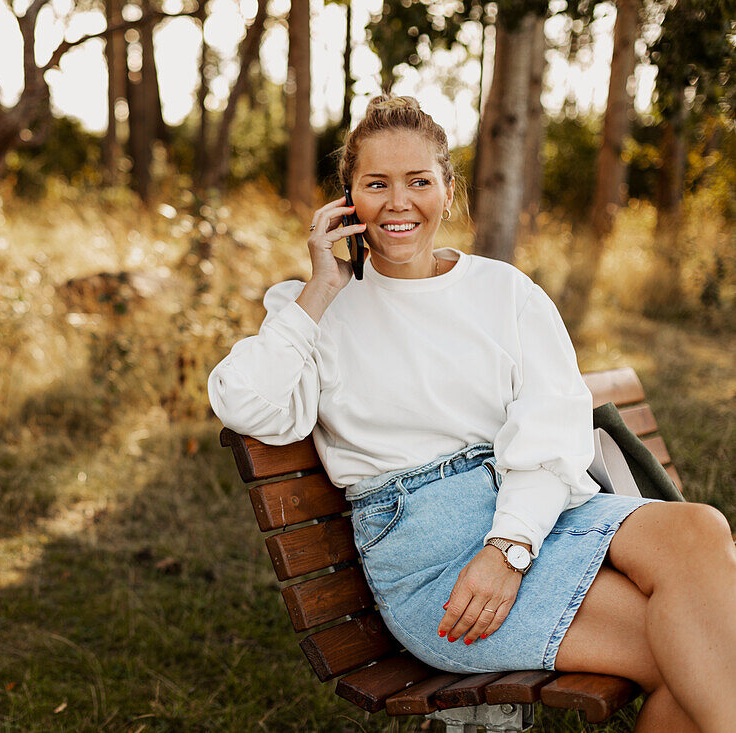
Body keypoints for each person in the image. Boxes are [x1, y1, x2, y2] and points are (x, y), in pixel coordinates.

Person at [207, 95, 736, 732]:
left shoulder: (502, 290)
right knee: (685, 653)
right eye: (376, 184)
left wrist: (509, 546)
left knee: (698, 530)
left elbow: (551, 424)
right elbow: (245, 404)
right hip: (432, 552)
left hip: (534, 513)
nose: (398, 202)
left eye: (418, 182)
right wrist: (320, 287)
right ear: (346, 201)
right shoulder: (313, 309)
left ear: (448, 191)